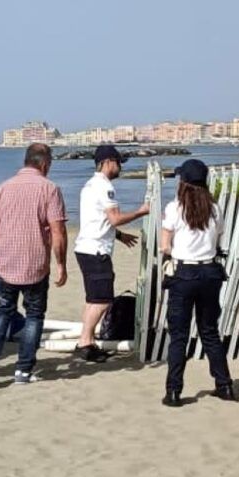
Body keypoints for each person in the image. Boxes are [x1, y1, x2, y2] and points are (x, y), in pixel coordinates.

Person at [0, 143, 67, 387]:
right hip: (35, 264)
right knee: (34, 315)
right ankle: (23, 370)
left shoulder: (4, 187)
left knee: (3, 309)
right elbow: (58, 230)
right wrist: (61, 264)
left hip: (5, 262)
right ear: (44, 164)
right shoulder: (49, 189)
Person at [159, 159, 236, 408]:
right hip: (210, 272)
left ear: (183, 183)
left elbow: (164, 245)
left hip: (184, 273)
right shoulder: (215, 209)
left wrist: (172, 253)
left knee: (179, 335)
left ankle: (174, 391)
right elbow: (219, 238)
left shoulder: (175, 208)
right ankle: (224, 385)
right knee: (209, 331)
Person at [72, 145, 149, 362]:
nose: (120, 167)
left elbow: (98, 220)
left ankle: (87, 341)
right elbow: (114, 218)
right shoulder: (105, 187)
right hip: (96, 250)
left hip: (86, 247)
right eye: (118, 162)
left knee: (93, 299)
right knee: (103, 300)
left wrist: (119, 236)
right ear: (107, 162)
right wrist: (141, 211)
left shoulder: (89, 185)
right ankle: (85, 342)